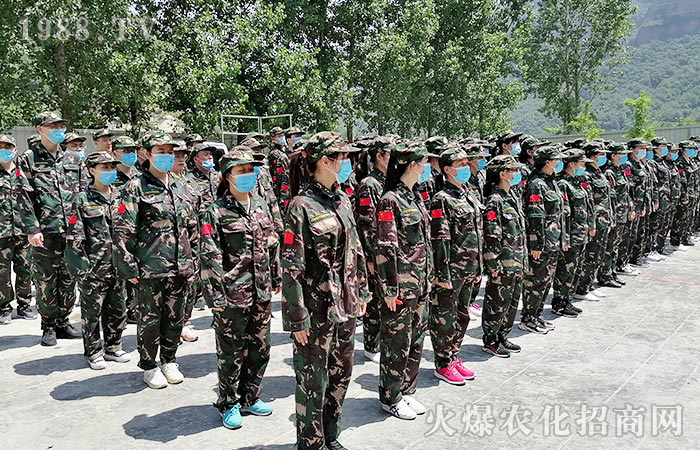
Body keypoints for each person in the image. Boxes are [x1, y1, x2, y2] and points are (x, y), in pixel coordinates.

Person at [281, 131, 369, 450]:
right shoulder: (300, 206)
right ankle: (310, 443)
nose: (346, 163)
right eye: (340, 157)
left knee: (340, 374)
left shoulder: (342, 199)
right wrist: (297, 318)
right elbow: (291, 267)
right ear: (323, 161)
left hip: (345, 305)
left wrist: (361, 293)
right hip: (315, 311)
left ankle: (331, 436)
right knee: (312, 380)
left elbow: (355, 251)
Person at [113, 132, 198, 389]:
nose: (167, 156)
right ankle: (149, 365)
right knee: (150, 319)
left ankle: (169, 359)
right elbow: (122, 230)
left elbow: (192, 227)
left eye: (170, 152)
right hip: (150, 268)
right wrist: (128, 267)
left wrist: (194, 259)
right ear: (147, 154)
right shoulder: (135, 187)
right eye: (160, 151)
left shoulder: (182, 185)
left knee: (175, 317)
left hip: (180, 266)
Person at [200, 147, 278, 429]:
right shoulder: (216, 211)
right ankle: (228, 402)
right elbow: (209, 255)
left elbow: (272, 244)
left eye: (250, 170)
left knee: (260, 347)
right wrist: (216, 296)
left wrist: (275, 278)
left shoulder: (260, 205)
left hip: (261, 290)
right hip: (232, 294)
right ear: (228, 175)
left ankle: (250, 396)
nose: (248, 174)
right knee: (231, 352)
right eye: (241, 170)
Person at [375, 142, 436, 420]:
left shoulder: (415, 197)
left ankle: (407, 390)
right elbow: (386, 247)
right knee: (396, 343)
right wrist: (389, 288)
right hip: (400, 286)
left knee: (416, 340)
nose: (426, 167)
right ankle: (391, 397)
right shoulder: (390, 200)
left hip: (420, 283)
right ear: (411, 165)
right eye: (423, 162)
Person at [18, 111, 81, 346]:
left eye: (61, 126)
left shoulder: (73, 160)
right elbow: (23, 196)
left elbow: (84, 193)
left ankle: (64, 321)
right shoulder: (28, 159)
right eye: (53, 126)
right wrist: (32, 229)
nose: (58, 130)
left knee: (68, 277)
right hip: (46, 231)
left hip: (71, 231)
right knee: (45, 279)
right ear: (40, 129)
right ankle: (49, 325)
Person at [65, 151, 130, 369]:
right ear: (92, 171)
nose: (110, 171)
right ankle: (93, 352)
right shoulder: (82, 199)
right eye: (105, 168)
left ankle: (113, 346)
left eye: (112, 167)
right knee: (92, 313)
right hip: (94, 267)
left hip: (118, 265)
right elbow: (75, 237)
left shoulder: (121, 196)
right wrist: (82, 268)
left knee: (117, 309)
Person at [429, 146, 481, 385]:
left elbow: (477, 234)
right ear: (447, 170)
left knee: (462, 315)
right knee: (445, 317)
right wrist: (442, 274)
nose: (465, 168)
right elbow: (440, 239)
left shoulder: (468, 194)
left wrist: (478, 267)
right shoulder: (441, 199)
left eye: (466, 164)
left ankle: (453, 355)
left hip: (469, 267)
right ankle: (443, 363)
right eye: (460, 165)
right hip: (452, 269)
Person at [481, 155, 527, 357]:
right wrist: (493, 263)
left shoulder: (511, 196)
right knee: (497, 303)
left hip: (516, 260)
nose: (517, 173)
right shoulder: (495, 200)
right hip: (503, 263)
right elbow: (492, 234)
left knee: (511, 302)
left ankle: (502, 335)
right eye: (513, 170)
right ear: (502, 174)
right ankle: (491, 339)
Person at [519, 145, 567, 334]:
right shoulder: (536, 184)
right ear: (547, 162)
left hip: (553, 240)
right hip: (542, 242)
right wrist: (536, 244)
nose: (559, 162)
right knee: (535, 281)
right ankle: (528, 318)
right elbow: (535, 216)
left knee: (546, 280)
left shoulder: (551, 181)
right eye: (556, 159)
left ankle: (537, 315)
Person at [353, 136, 392, 364]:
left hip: (387, 251)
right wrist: (369, 256)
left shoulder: (388, 181)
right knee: (375, 300)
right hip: (374, 252)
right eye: (390, 155)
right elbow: (366, 223)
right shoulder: (369, 185)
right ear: (379, 156)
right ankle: (371, 344)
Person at [551, 149, 593, 317]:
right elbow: (564, 214)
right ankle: (559, 303)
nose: (584, 166)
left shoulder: (576, 182)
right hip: (571, 235)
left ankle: (567, 300)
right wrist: (565, 238)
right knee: (565, 271)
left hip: (580, 233)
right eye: (582, 163)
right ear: (572, 164)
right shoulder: (563, 184)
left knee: (575, 269)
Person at [0, 134, 37, 324]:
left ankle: (24, 304)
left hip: (23, 230)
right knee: (2, 271)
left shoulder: (24, 173)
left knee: (25, 268)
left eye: (8, 147)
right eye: (0, 147)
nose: (4, 150)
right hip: (2, 231)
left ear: (15, 150)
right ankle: (4, 307)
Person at [576, 143, 615, 300]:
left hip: (603, 220)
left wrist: (610, 219)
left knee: (598, 255)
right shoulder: (586, 175)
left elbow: (607, 199)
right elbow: (589, 203)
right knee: (590, 256)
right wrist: (591, 224)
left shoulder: (600, 173)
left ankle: (589, 284)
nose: (603, 157)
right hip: (595, 222)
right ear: (591, 156)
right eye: (600, 154)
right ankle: (581, 288)